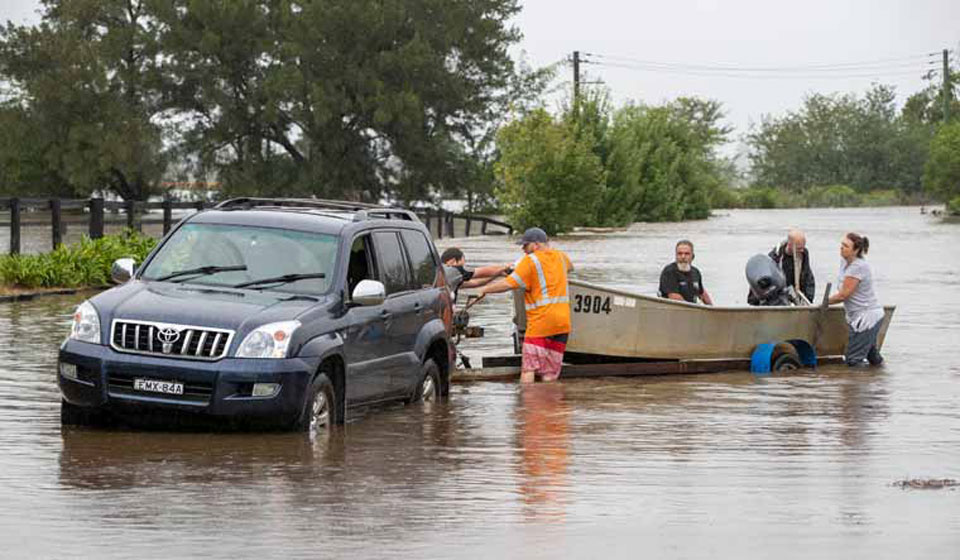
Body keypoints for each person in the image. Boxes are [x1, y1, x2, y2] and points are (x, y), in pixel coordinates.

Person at [478, 227, 573, 383]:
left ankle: (527, 406)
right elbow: (568, 268)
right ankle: (550, 405)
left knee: (529, 369)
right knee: (550, 373)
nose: (523, 249)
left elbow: (509, 284)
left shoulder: (530, 261)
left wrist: (485, 290)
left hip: (541, 323)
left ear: (536, 245)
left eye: (525, 245)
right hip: (562, 324)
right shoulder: (562, 257)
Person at [827, 232, 884, 367]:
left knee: (853, 360)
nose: (841, 248)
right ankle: (880, 381)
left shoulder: (858, 266)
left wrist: (824, 302)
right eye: (841, 244)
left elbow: (843, 295)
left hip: (866, 317)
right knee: (872, 357)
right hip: (858, 316)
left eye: (846, 246)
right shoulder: (844, 262)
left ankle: (855, 386)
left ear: (856, 250)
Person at [747, 229, 815, 305]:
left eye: (803, 247)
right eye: (799, 248)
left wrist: (808, 299)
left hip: (795, 297)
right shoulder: (774, 258)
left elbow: (808, 278)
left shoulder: (802, 257)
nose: (802, 250)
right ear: (789, 245)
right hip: (777, 297)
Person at [440, 247, 511, 302]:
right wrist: (505, 267)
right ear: (453, 261)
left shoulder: (446, 276)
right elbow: (481, 272)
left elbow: (475, 283)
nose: (463, 266)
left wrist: (497, 274)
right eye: (462, 264)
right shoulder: (453, 271)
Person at [658, 240, 713, 305]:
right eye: (680, 254)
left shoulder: (695, 272)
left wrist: (712, 309)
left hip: (692, 309)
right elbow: (674, 297)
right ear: (676, 256)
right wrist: (694, 310)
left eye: (687, 254)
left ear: (692, 256)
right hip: (673, 310)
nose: (683, 257)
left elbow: (702, 293)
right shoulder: (669, 272)